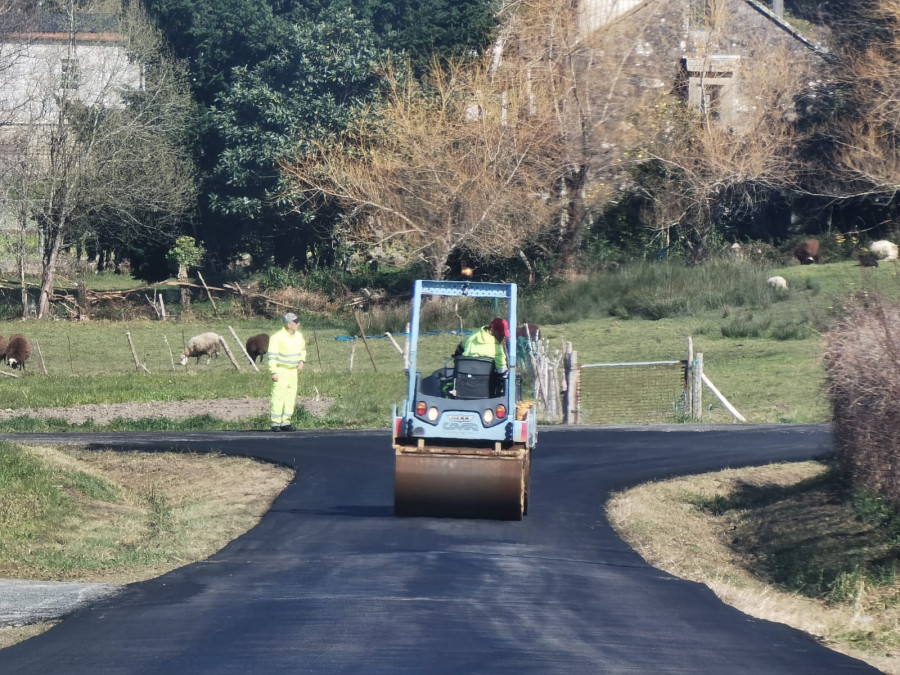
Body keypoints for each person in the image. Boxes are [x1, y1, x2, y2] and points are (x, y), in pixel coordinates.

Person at [267, 312, 307, 432]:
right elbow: (272, 356)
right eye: (296, 322)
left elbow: (303, 350)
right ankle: (275, 423)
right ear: (289, 324)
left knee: (290, 396)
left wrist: (302, 361)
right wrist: (273, 372)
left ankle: (286, 422)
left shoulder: (299, 336)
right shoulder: (277, 337)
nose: (298, 324)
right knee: (278, 396)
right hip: (281, 370)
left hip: (293, 371)